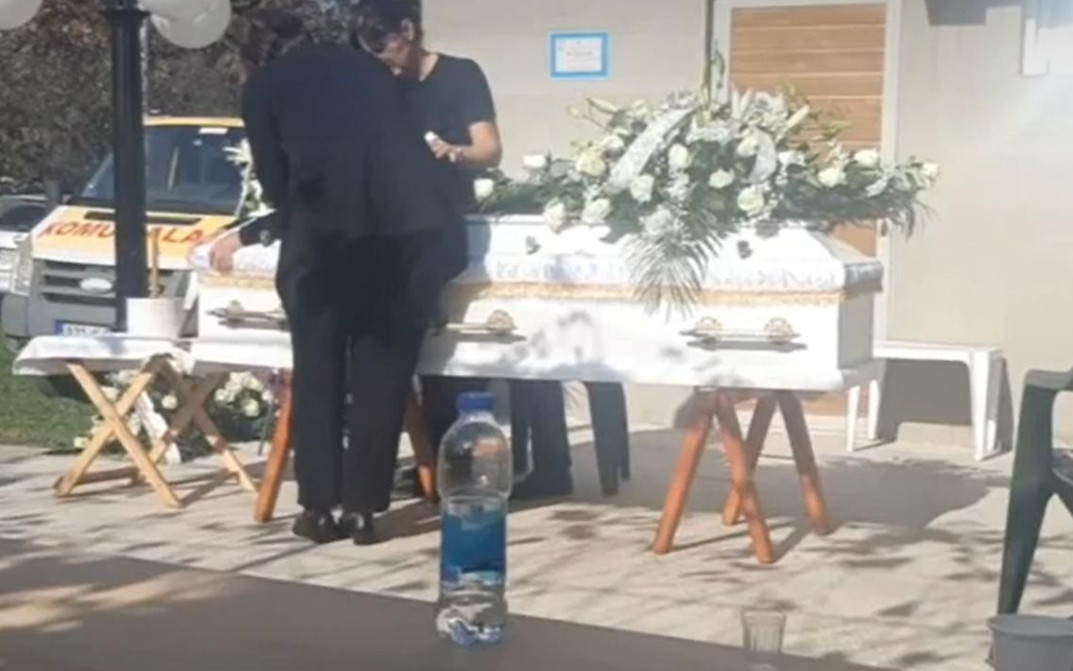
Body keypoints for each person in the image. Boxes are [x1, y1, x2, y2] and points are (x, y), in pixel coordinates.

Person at [209, 13, 465, 546]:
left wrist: (263, 226)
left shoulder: (264, 87)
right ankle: (364, 511)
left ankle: (318, 508)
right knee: (382, 375)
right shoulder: (371, 69)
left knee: (317, 372)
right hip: (406, 239)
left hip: (324, 242)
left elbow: (278, 186)